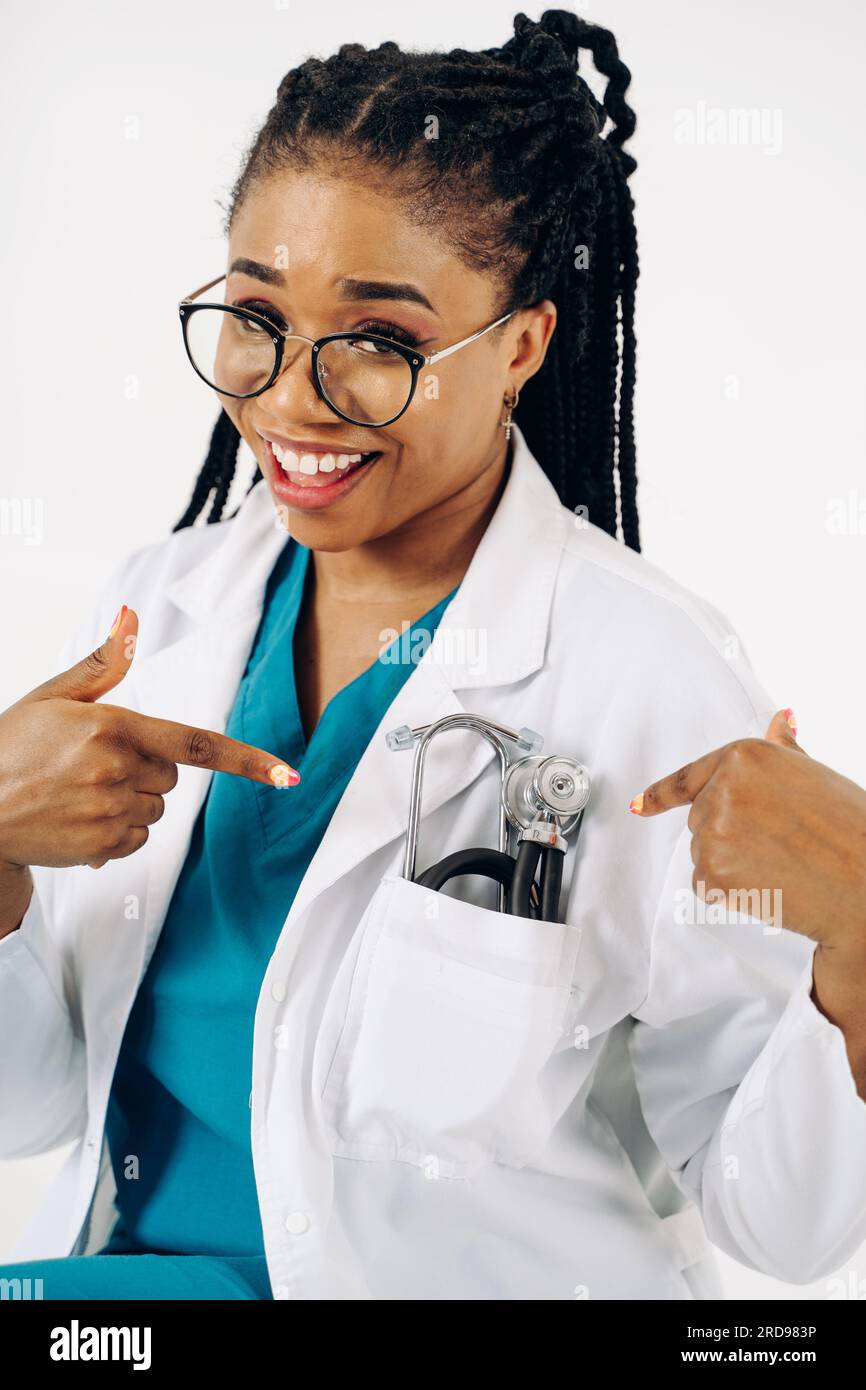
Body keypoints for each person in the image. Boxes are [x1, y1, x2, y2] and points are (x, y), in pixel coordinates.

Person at [1, 9, 865, 1302]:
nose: (294, 398)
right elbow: (33, 1105)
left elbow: (784, 1227)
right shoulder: (158, 614)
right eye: (255, 318)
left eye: (379, 342)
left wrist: (858, 927)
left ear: (518, 344)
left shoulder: (641, 679)